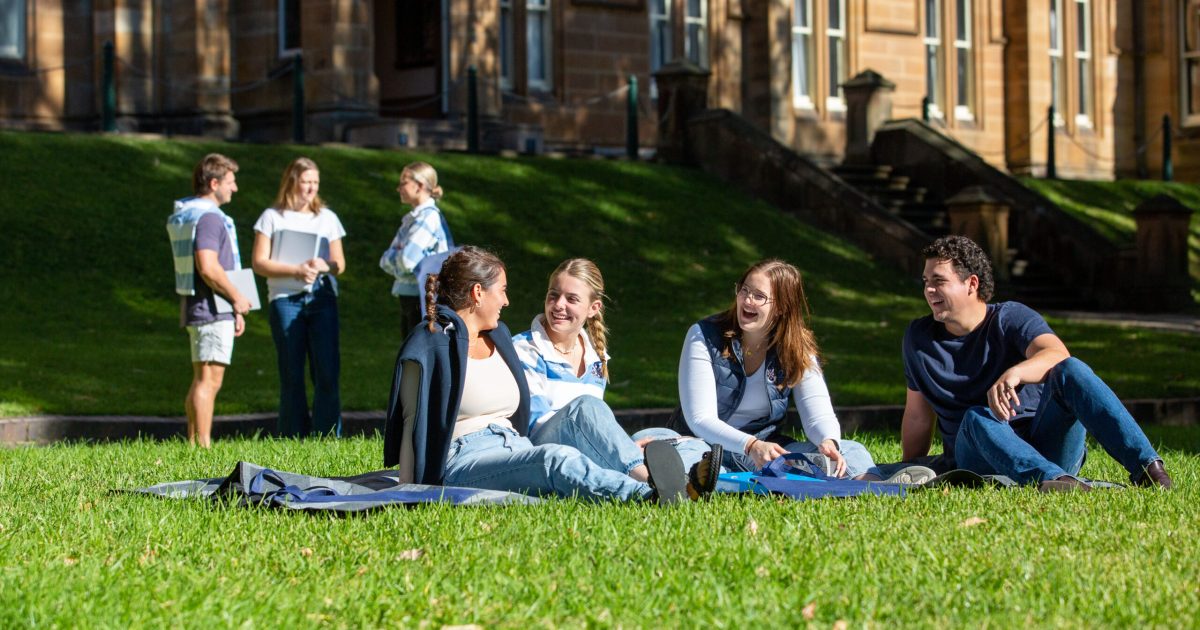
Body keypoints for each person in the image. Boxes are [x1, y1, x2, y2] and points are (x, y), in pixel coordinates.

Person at [382, 246, 719, 503]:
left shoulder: (498, 340)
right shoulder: (430, 343)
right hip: (466, 456)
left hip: (515, 445)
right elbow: (411, 422)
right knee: (556, 458)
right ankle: (651, 493)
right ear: (477, 293)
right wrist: (409, 493)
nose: (508, 301)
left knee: (663, 435)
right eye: (502, 290)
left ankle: (686, 475)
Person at [895, 235, 1172, 491]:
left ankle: (1148, 470)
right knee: (977, 416)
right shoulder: (919, 338)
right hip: (979, 455)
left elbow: (1057, 354)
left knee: (1071, 369)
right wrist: (909, 468)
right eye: (925, 281)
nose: (929, 289)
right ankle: (1054, 481)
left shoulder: (1011, 317)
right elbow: (918, 414)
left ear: (972, 284)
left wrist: (1017, 372)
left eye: (939, 281)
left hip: (1046, 445)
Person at [677, 259, 924, 482]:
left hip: (766, 448)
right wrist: (751, 445)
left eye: (759, 296)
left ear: (782, 307)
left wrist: (828, 441)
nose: (747, 300)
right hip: (705, 444)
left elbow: (818, 413)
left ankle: (871, 486)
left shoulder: (796, 346)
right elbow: (700, 419)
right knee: (698, 463)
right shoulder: (703, 335)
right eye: (744, 290)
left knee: (850, 449)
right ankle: (710, 480)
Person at [512, 259, 714, 485]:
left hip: (589, 446)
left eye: (571, 299)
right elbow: (535, 423)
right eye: (553, 295)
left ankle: (686, 477)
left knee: (667, 437)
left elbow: (596, 426)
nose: (559, 305)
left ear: (593, 308)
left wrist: (622, 447)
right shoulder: (524, 349)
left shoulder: (595, 355)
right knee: (586, 406)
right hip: (546, 451)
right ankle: (652, 482)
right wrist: (619, 450)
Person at [251, 157, 347, 438]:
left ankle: (327, 434)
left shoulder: (327, 218)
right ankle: (292, 434)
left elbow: (339, 264)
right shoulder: (271, 217)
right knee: (291, 371)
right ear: (292, 181)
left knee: (327, 369)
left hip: (321, 297)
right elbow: (259, 262)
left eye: (315, 183)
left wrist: (323, 265)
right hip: (284, 299)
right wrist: (295, 270)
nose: (311, 188)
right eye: (306, 182)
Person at [166, 153, 251, 448]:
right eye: (231, 181)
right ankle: (202, 446)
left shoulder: (190, 213)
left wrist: (235, 308)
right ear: (214, 183)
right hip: (212, 306)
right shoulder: (210, 218)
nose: (235, 188)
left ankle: (193, 443)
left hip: (202, 305)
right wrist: (238, 298)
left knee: (203, 377)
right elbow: (209, 266)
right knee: (209, 380)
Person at [379, 161, 453, 333]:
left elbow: (406, 260)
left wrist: (397, 260)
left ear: (419, 186)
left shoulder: (427, 218)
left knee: (416, 356)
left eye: (403, 182)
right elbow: (384, 260)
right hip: (412, 296)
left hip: (422, 299)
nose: (399, 188)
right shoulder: (412, 219)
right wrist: (398, 259)